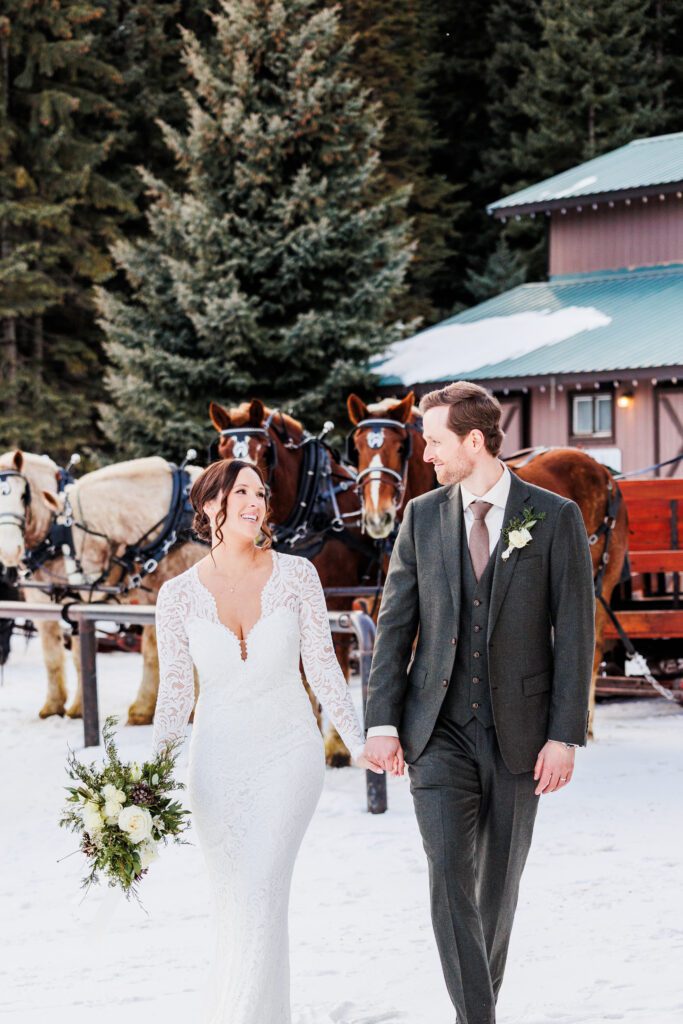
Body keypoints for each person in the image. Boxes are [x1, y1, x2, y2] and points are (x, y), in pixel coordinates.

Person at [362, 380, 595, 1024]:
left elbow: (575, 633)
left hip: (523, 735)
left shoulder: (554, 518)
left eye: (435, 441)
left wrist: (563, 734)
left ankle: (474, 1004)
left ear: (473, 440)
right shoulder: (422, 515)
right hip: (435, 730)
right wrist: (381, 720)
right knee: (447, 876)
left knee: (498, 886)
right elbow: (396, 625)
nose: (427, 455)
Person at [151, 457, 378, 1024]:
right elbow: (176, 695)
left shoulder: (298, 575)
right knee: (235, 901)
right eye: (242, 493)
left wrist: (358, 742)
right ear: (211, 507)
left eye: (261, 493)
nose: (256, 502)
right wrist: (148, 779)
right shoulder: (176, 596)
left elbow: (325, 669)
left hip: (288, 753)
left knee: (263, 884)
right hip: (216, 764)